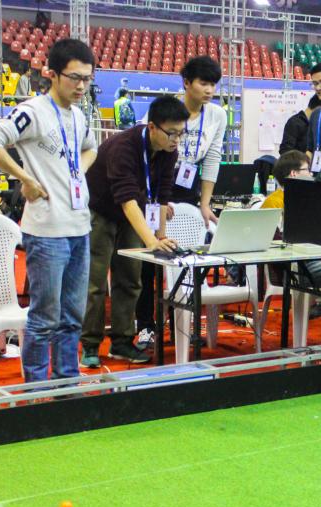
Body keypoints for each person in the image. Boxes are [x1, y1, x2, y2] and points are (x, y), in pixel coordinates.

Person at [0, 38, 99, 384]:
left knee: (72, 317)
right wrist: (25, 179)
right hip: (46, 231)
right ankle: (35, 388)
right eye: (74, 78)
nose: (81, 86)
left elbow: (91, 149)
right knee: (45, 318)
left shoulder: (79, 115)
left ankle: (66, 382)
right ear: (53, 74)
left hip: (79, 227)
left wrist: (75, 173)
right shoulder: (33, 111)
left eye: (87, 79)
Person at [80, 95, 185, 368]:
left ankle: (122, 342)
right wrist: (151, 241)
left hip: (132, 213)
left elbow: (161, 196)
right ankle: (90, 344)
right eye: (171, 133)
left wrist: (160, 236)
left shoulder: (169, 152)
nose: (176, 140)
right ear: (152, 127)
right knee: (95, 281)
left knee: (130, 277)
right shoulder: (124, 147)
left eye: (181, 133)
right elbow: (126, 200)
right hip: (100, 210)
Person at [135, 55, 227, 350]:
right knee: (151, 259)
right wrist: (156, 200)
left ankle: (185, 324)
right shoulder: (164, 110)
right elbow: (143, 157)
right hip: (154, 186)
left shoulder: (217, 115)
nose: (209, 90)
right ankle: (145, 326)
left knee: (188, 257)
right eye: (203, 83)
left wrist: (205, 203)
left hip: (188, 187)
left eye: (213, 84)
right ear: (186, 83)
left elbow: (212, 158)